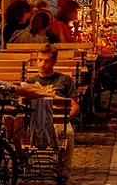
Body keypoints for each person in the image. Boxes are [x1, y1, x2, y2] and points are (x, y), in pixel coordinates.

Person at [29, 44, 79, 183]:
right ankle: (22, 164)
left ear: (54, 61)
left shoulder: (64, 80)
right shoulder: (30, 82)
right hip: (35, 121)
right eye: (39, 60)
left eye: (46, 60)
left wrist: (65, 118)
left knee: (68, 133)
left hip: (58, 119)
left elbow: (75, 105)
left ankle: (63, 170)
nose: (41, 64)